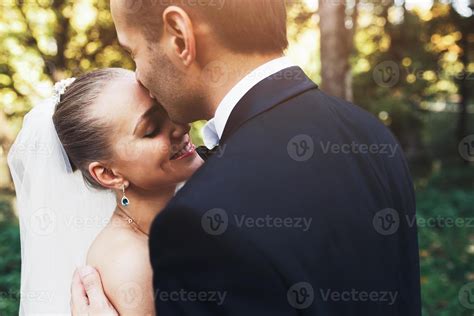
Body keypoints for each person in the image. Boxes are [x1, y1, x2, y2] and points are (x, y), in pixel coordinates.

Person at [8, 68, 202, 315]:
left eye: (167, 108)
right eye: (151, 129)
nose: (180, 126)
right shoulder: (130, 264)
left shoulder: (181, 211)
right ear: (109, 174)